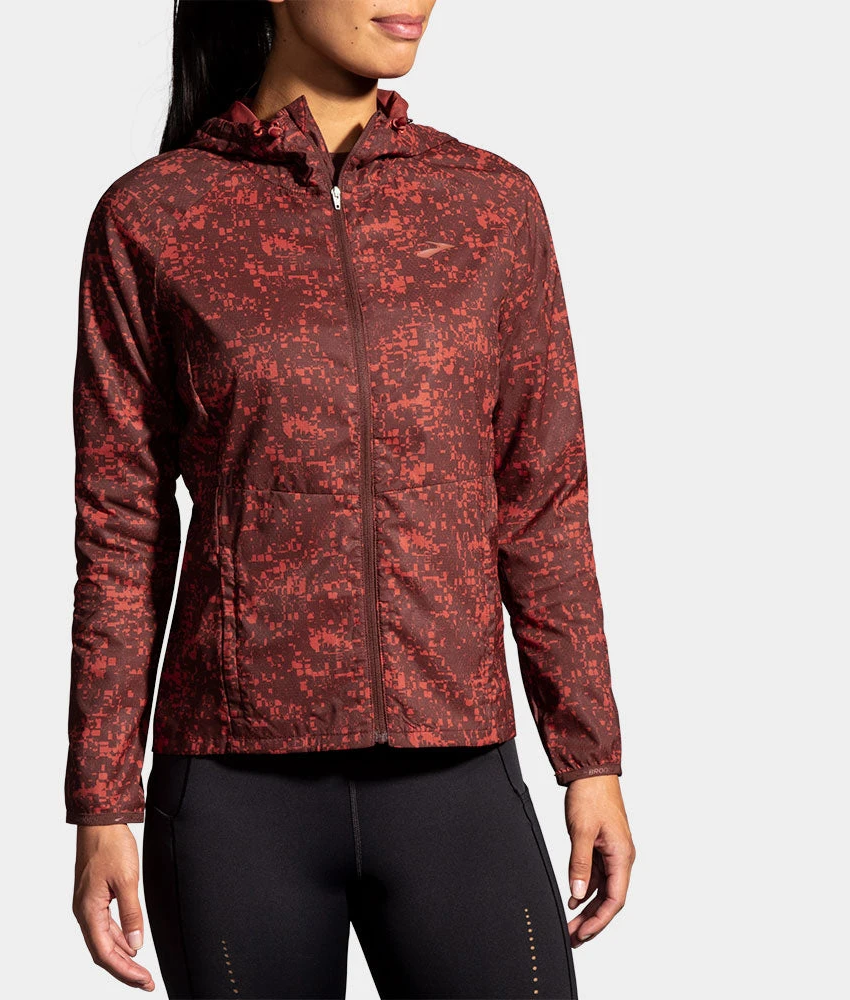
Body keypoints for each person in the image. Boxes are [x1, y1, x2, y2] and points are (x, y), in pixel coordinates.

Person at [65, 1, 635, 997]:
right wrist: (103, 797)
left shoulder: (489, 206)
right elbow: (122, 530)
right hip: (235, 793)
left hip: (456, 768)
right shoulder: (154, 218)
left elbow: (541, 500)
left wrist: (590, 756)